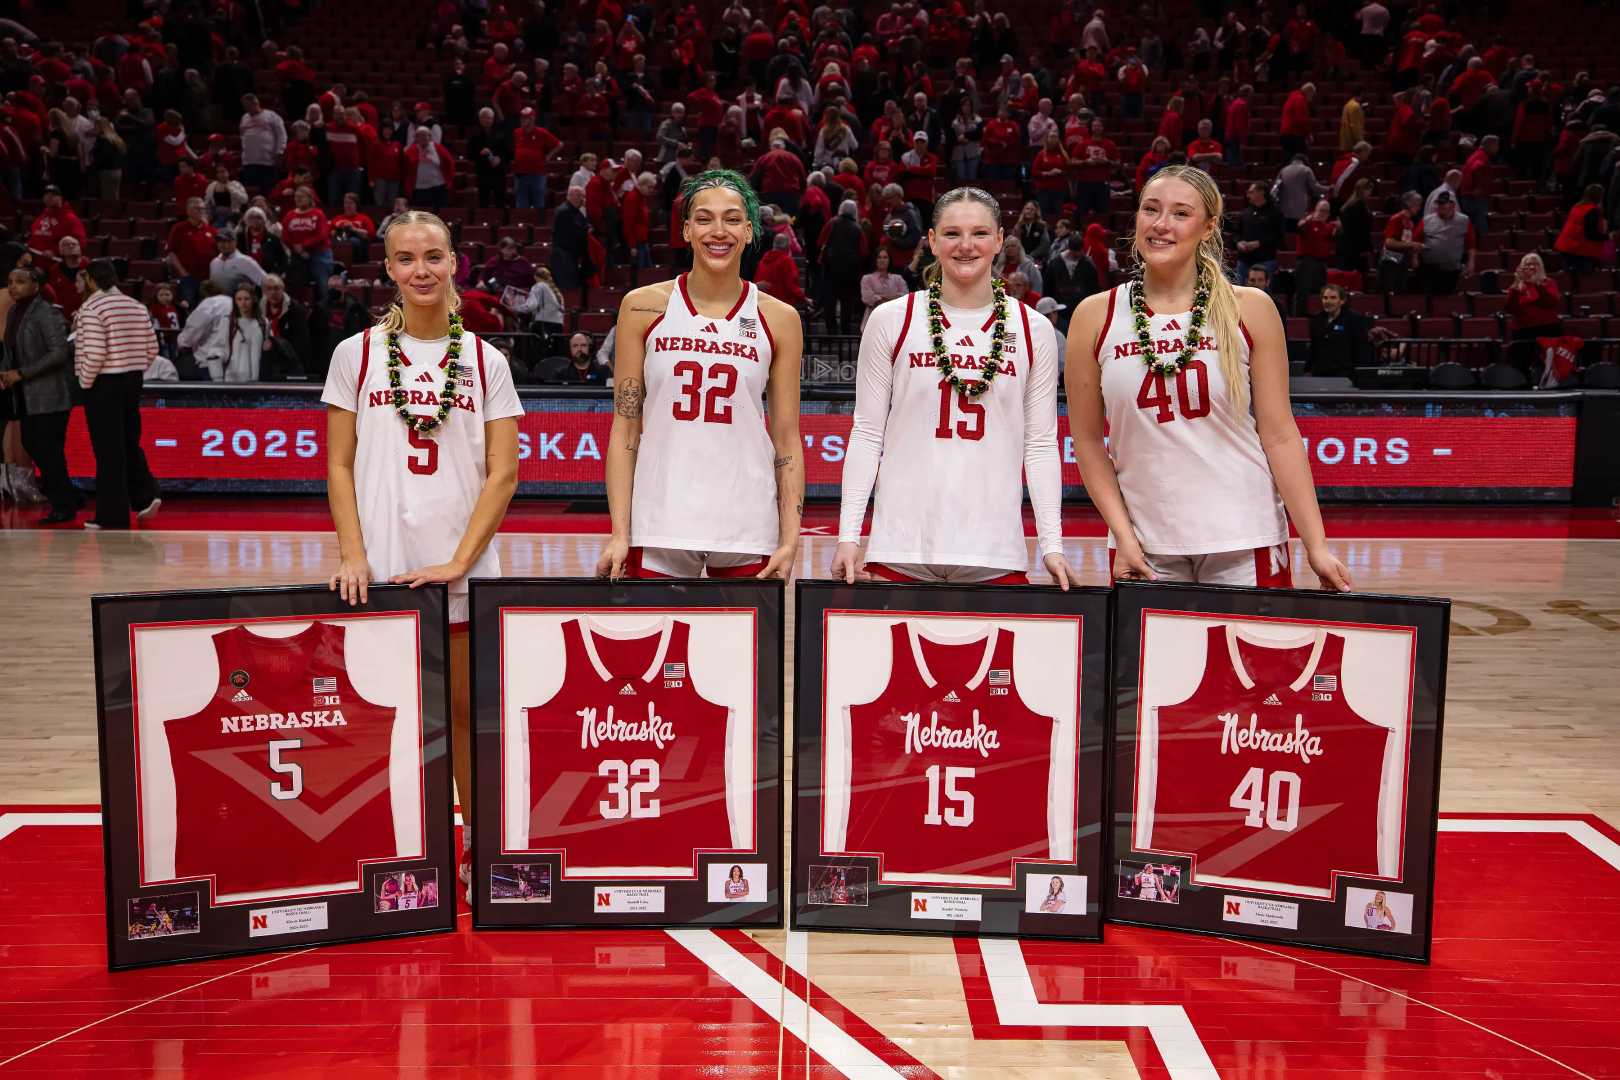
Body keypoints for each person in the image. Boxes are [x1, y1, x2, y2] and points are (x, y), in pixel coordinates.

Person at [323, 208, 523, 896]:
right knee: (390, 716)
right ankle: (404, 846)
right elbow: (339, 464)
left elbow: (504, 473)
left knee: (465, 715)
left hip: (461, 570)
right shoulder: (356, 353)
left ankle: (470, 847)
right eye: (406, 258)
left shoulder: (485, 359)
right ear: (387, 269)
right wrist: (353, 553)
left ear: (454, 263)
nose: (421, 270)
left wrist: (461, 562)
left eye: (433, 256)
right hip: (382, 569)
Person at [1063, 165, 1351, 589]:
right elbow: (1087, 442)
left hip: (1245, 533)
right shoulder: (1094, 315)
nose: (1161, 225)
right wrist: (1123, 536)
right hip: (1144, 543)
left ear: (1208, 227)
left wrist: (1317, 544)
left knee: (1247, 658)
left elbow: (1279, 434)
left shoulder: (1249, 308)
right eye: (1151, 210)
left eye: (1181, 214)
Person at [834, 186, 1073, 588]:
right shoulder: (892, 319)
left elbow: (1042, 444)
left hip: (994, 548)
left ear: (999, 240)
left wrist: (1052, 543)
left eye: (980, 233)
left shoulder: (1033, 329)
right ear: (931, 241)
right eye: (951, 234)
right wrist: (848, 534)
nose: (966, 245)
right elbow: (866, 432)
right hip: (901, 545)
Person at [597, 170, 802, 579]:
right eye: (704, 219)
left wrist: (790, 538)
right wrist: (619, 532)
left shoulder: (779, 318)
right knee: (661, 642)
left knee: (747, 645)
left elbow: (786, 437)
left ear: (748, 230)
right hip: (661, 517)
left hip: (747, 519)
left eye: (731, 219)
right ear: (687, 230)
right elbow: (625, 427)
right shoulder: (641, 306)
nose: (718, 231)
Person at [74, 259, 161, 529]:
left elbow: (96, 353)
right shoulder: (136, 305)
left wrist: (85, 381)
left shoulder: (92, 307)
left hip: (104, 383)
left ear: (91, 279)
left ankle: (112, 516)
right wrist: (132, 368)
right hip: (133, 381)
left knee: (108, 450)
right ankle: (146, 495)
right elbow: (152, 349)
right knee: (128, 441)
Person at [0, 266, 78, 523]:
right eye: (10, 282)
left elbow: (59, 353)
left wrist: (22, 373)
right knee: (36, 445)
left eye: (20, 282)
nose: (13, 287)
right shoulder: (14, 312)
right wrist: (6, 373)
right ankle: (67, 495)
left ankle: (64, 504)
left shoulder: (46, 313)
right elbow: (10, 350)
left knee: (46, 447)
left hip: (50, 394)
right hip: (26, 395)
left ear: (36, 285)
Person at [1506, 253, 1562, 370]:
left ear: (1541, 266)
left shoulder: (1549, 283)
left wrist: (1536, 284)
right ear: (1522, 268)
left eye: (1535, 264)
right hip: (1523, 328)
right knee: (1521, 360)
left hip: (1547, 327)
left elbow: (1550, 303)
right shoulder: (1516, 286)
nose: (1532, 267)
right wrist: (1516, 286)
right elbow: (1511, 309)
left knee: (1546, 361)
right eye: (1528, 264)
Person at [1414, 190, 1475, 295]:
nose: (1440, 206)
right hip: (1429, 268)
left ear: (1452, 204)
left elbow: (1471, 243)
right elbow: (1416, 240)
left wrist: (1471, 262)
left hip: (1452, 269)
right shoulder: (1427, 220)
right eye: (1439, 203)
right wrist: (1414, 258)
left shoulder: (1464, 220)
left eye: (1443, 203)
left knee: (1446, 299)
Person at [1309, 284, 1373, 375]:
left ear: (1342, 301)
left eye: (1333, 298)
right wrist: (1308, 369)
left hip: (1346, 373)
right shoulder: (1316, 320)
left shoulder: (1354, 320)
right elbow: (1314, 347)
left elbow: (1361, 349)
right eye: (1325, 298)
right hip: (1320, 373)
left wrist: (1360, 372)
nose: (1328, 301)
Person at [1554, 184, 1608, 274]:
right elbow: (1591, 234)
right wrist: (1607, 236)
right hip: (1579, 251)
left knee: (1568, 278)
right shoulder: (1592, 211)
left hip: (1566, 247)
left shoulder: (1577, 206)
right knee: (1584, 280)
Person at [860, 246, 908, 329]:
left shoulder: (898, 278)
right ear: (875, 260)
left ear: (889, 260)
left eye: (885, 257)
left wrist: (880, 297)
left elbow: (905, 297)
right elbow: (868, 298)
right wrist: (893, 297)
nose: (882, 260)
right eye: (879, 257)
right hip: (872, 322)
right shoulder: (867, 278)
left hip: (894, 323)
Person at [537, 332, 608, 385]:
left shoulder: (602, 373)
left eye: (583, 345)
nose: (579, 349)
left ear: (591, 348)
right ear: (569, 349)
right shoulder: (561, 375)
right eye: (575, 346)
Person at [208, 229, 266, 294]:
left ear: (235, 242)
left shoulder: (245, 261)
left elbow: (265, 282)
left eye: (226, 241)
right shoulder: (214, 263)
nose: (222, 244)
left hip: (239, 303)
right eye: (219, 241)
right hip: (218, 303)